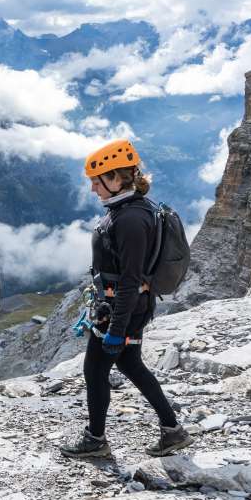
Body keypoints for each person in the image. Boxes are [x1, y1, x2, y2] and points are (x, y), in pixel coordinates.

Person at [60, 139, 193, 459]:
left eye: (97, 181)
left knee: (95, 370)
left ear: (116, 177)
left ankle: (95, 439)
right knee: (130, 363)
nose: (92, 188)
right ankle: (172, 430)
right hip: (128, 306)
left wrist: (117, 329)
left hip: (121, 309)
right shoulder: (131, 209)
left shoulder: (131, 219)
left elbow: (131, 279)